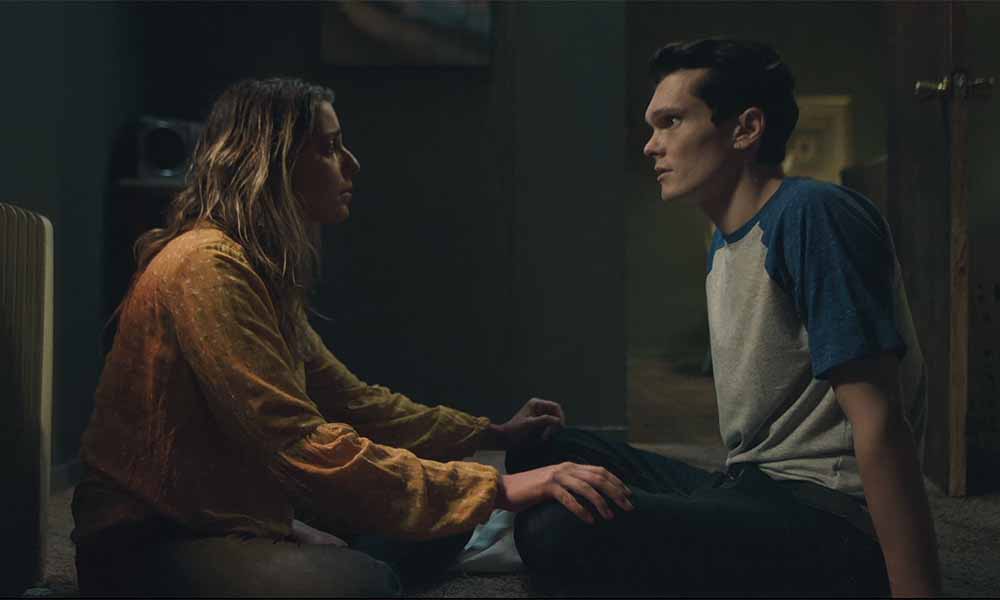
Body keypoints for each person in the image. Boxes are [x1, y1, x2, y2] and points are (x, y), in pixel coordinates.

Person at [71, 78, 633, 598]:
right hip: (150, 539)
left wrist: (489, 433)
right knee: (366, 582)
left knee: (444, 522)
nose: (352, 165)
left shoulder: (257, 270)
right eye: (329, 147)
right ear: (270, 163)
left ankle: (293, 543)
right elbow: (298, 444)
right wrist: (499, 488)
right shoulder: (207, 267)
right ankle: (300, 551)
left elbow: (355, 403)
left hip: (233, 510)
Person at [509, 38, 941, 597]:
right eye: (652, 126)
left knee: (555, 528)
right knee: (543, 452)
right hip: (748, 487)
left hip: (826, 517)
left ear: (745, 129)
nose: (650, 145)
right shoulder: (724, 242)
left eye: (670, 122)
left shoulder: (813, 214)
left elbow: (881, 420)